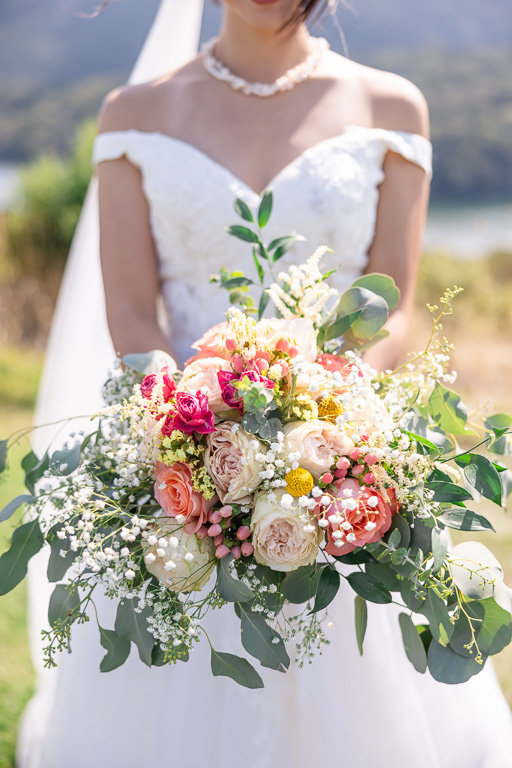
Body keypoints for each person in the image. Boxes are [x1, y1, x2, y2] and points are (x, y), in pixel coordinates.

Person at [16, 1, 512, 767]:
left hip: (340, 462)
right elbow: (129, 310)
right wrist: (192, 434)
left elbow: (395, 307)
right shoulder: (134, 115)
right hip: (181, 473)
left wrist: (328, 419)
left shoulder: (392, 107)